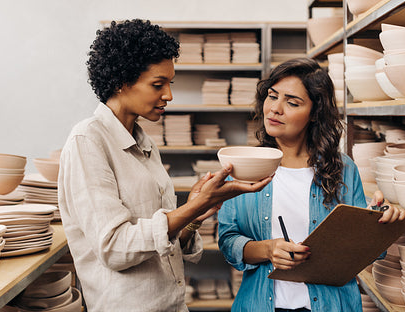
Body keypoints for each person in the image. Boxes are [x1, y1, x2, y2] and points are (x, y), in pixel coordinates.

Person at [57, 19, 271, 312]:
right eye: (158, 85)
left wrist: (196, 212)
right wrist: (190, 209)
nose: (169, 95)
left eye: (170, 84)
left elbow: (164, 245)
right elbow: (115, 248)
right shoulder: (88, 141)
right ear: (121, 81)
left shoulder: (145, 143)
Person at [217, 58, 405, 312]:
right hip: (261, 304)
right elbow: (228, 242)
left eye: (292, 102)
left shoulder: (343, 168)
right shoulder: (242, 167)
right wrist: (267, 249)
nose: (275, 109)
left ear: (315, 113)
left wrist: (379, 223)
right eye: (272, 97)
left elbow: (363, 252)